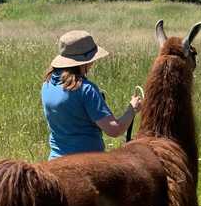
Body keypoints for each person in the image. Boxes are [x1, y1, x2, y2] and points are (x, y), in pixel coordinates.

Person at [42, 30, 142, 160]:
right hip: (88, 163)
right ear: (83, 61)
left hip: (55, 160)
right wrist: (132, 109)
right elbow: (114, 130)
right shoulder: (86, 89)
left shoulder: (47, 84)